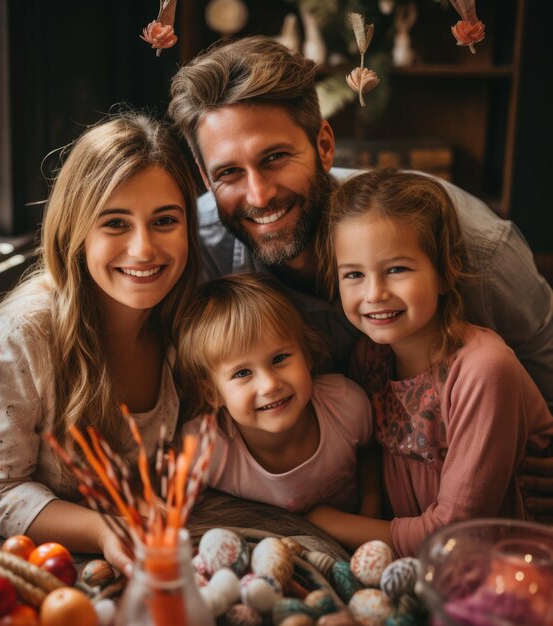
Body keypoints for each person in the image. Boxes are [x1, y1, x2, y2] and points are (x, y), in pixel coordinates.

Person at [167, 35, 553, 512]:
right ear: (206, 179)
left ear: (324, 145)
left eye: (275, 158)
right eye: (228, 173)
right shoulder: (194, 248)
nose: (259, 194)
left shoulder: (476, 248)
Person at [0, 111, 200, 573]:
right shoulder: (27, 333)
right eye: (115, 223)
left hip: (117, 552)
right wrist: (102, 529)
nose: (144, 249)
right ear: (76, 230)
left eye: (165, 220)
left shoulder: (182, 321)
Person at [303, 169, 553, 556]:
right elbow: (366, 451)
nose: (375, 293)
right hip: (414, 566)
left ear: (443, 271)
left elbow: (454, 535)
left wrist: (325, 521)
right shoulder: (369, 360)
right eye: (353, 274)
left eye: (397, 269)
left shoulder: (483, 370)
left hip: (502, 569)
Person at [176, 272, 379, 517]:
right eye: (242, 373)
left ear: (307, 354)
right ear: (212, 393)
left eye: (279, 359)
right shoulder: (206, 449)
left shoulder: (346, 404)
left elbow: (370, 455)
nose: (270, 385)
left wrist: (369, 516)